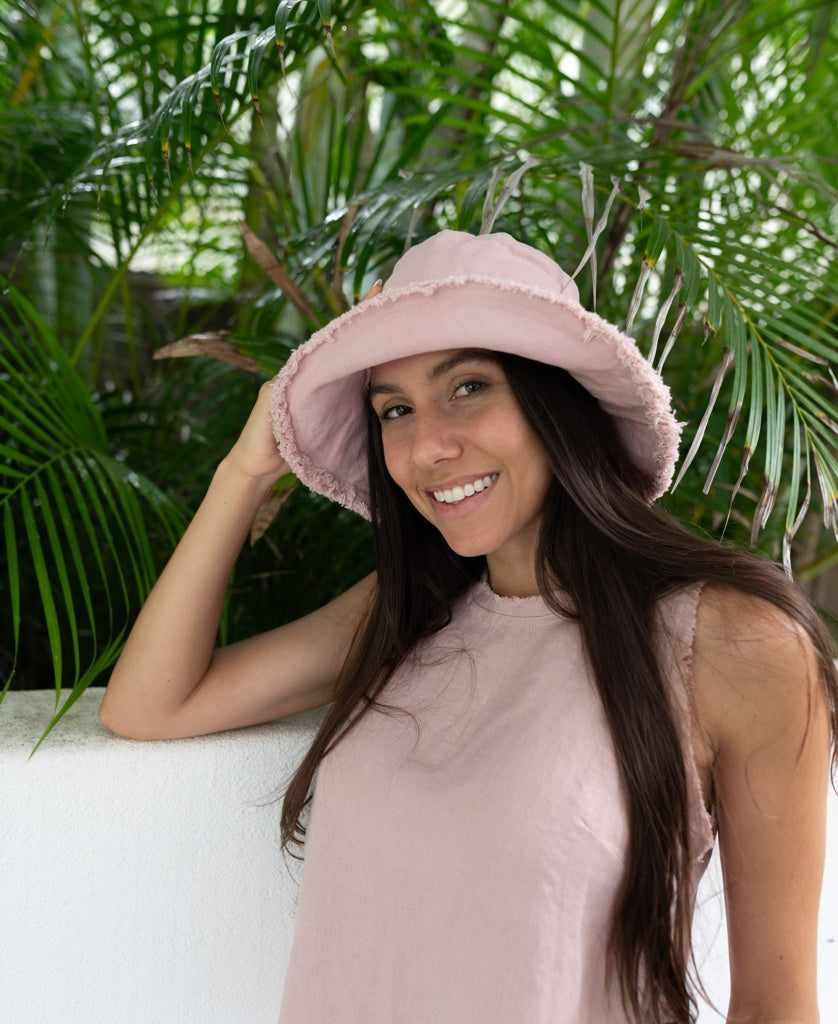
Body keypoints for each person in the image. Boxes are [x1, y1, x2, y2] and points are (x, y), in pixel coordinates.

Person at [100, 230, 837, 1024]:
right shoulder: (406, 613)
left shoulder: (731, 643)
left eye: (469, 388)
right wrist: (242, 471)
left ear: (556, 401)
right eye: (395, 409)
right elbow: (148, 706)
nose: (428, 448)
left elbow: (774, 1005)